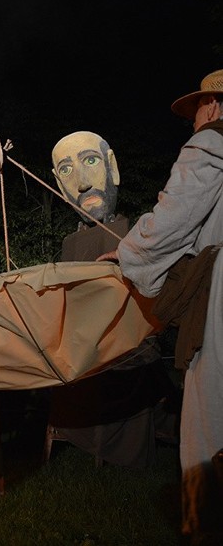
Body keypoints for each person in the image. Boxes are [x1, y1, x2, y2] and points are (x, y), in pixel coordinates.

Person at [98, 69, 223, 541]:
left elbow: (174, 219)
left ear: (212, 106)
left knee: (210, 416)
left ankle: (206, 527)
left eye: (196, 114)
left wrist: (128, 252)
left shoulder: (212, 143)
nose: (193, 124)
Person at [48, 131, 178, 468]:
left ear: (112, 168)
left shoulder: (135, 235)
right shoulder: (70, 245)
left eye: (90, 161)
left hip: (129, 349)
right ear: (58, 186)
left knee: (123, 371)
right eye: (65, 171)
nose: (81, 184)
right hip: (84, 353)